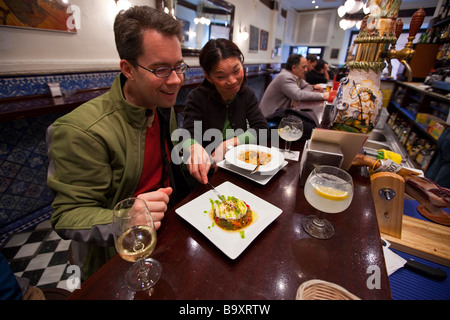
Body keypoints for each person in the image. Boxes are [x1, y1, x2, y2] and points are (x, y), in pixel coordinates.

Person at [46, 6, 190, 280]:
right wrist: (125, 218)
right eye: (161, 69)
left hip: (167, 229)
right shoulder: (82, 131)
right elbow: (67, 215)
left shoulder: (162, 104)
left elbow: (165, 157)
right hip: (115, 254)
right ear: (127, 68)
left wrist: (189, 144)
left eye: (178, 66)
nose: (176, 80)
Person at [182, 38, 269, 184]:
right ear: (208, 77)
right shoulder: (197, 98)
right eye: (221, 76)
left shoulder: (246, 94)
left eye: (236, 71)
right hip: (207, 173)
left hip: (238, 166)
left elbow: (262, 129)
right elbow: (186, 136)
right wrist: (193, 147)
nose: (233, 81)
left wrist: (227, 144)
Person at [259, 54, 329, 118]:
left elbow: (307, 87)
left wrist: (300, 95)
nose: (306, 70)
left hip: (279, 115)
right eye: (304, 67)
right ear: (294, 68)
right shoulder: (285, 77)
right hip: (268, 119)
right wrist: (322, 96)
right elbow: (298, 95)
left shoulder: (296, 76)